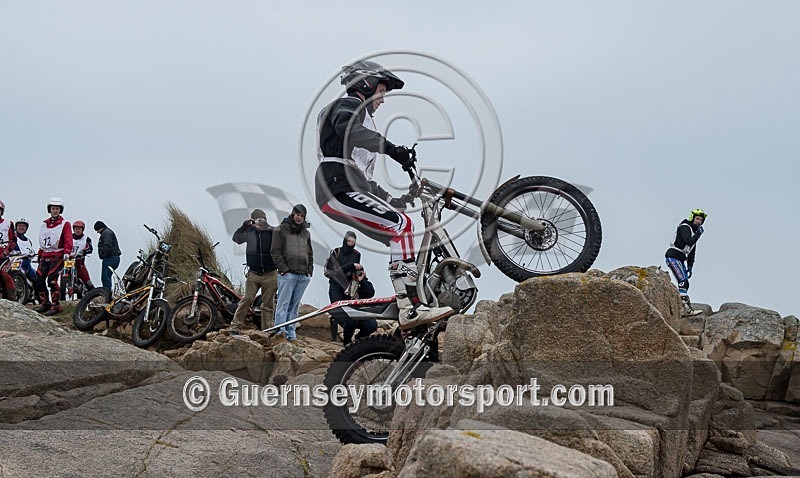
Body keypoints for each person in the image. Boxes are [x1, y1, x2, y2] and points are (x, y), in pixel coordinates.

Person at [314, 60, 454, 330]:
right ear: (365, 83)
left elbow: (364, 182)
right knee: (401, 226)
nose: (382, 99)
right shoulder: (348, 105)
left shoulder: (358, 117)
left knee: (401, 224)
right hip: (336, 187)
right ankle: (409, 305)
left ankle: (413, 299)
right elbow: (350, 131)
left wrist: (396, 201)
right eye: (381, 91)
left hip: (344, 185)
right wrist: (392, 149)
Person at [230, 208, 278, 335]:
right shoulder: (249, 232)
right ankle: (235, 327)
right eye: (256, 220)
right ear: (252, 220)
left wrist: (268, 228)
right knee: (247, 300)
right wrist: (243, 226)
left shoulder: (272, 232)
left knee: (268, 304)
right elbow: (236, 238)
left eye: (262, 220)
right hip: (253, 274)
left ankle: (266, 330)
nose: (259, 222)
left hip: (271, 273)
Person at [270, 204, 313, 342]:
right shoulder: (280, 229)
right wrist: (284, 269)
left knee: (294, 305)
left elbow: (310, 253)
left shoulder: (306, 233)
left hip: (303, 274)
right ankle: (280, 331)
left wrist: (309, 270)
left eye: (302, 216)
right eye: (297, 214)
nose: (299, 218)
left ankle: (291, 332)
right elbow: (275, 251)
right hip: (287, 274)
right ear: (293, 214)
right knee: (283, 303)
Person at [665, 209, 708, 317]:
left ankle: (681, 306)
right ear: (692, 218)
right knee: (683, 281)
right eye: (697, 219)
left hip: (680, 258)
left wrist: (690, 266)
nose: (699, 221)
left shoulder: (694, 233)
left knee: (685, 283)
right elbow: (688, 241)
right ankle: (686, 310)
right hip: (673, 255)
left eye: (701, 220)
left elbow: (692, 252)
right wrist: (698, 234)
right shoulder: (684, 227)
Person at [35, 197, 73, 315]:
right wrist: (39, 254)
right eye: (53, 209)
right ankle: (45, 302)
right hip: (45, 254)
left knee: (52, 280)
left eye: (57, 209)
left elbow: (68, 239)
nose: (55, 211)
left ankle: (56, 305)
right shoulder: (44, 224)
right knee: (38, 280)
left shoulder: (64, 224)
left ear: (60, 210)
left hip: (57, 255)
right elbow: (42, 241)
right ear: (49, 210)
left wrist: (67, 252)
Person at [324, 231, 361, 341]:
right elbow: (332, 271)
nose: (350, 243)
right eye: (348, 241)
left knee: (346, 311)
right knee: (336, 309)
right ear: (345, 240)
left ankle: (346, 336)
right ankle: (334, 338)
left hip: (347, 286)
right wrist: (349, 266)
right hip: (335, 284)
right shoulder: (336, 252)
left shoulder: (357, 254)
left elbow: (355, 272)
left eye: (352, 242)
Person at [337, 263, 377, 345]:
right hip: (346, 313)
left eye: (360, 272)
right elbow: (338, 272)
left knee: (372, 325)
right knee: (352, 319)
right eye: (356, 272)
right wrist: (352, 266)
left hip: (362, 313)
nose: (357, 274)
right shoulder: (344, 283)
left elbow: (370, 293)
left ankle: (359, 338)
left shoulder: (365, 284)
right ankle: (347, 341)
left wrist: (362, 281)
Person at [94, 221, 121, 290]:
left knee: (105, 277)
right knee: (107, 276)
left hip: (110, 258)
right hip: (113, 258)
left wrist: (104, 254)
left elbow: (107, 245)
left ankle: (107, 293)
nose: (97, 232)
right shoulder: (108, 232)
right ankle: (108, 292)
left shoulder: (106, 233)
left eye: (97, 230)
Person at [69, 220, 95, 291]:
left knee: (85, 278)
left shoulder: (86, 239)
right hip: (69, 260)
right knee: (62, 272)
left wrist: (84, 252)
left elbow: (90, 248)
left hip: (79, 262)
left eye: (79, 229)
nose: (77, 230)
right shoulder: (68, 237)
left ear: (82, 230)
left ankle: (92, 291)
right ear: (73, 229)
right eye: (76, 229)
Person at [12, 219, 38, 284]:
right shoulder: (12, 238)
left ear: (26, 228)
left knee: (37, 280)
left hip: (27, 266)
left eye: (23, 226)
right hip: (14, 264)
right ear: (16, 227)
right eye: (20, 226)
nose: (21, 228)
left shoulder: (28, 241)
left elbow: (32, 254)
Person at [0, 201, 17, 300]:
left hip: (4, 255)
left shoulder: (8, 224)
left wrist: (6, 251)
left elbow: (13, 240)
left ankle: (12, 297)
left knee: (4, 273)